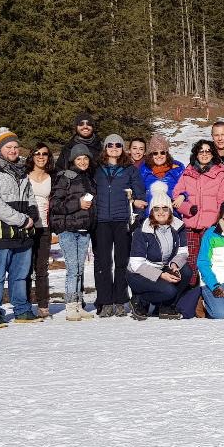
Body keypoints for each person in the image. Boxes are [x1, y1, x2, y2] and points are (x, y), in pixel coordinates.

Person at [0, 127, 41, 327]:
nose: (13, 150)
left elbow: (29, 196)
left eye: (16, 146)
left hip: (22, 231)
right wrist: (21, 219)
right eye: (8, 147)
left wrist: (32, 214)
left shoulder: (21, 168)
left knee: (21, 274)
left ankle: (22, 309)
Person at [127, 182, 199, 321]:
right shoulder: (142, 230)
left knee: (186, 272)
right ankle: (139, 300)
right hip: (139, 273)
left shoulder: (178, 226)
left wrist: (174, 266)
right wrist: (162, 275)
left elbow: (183, 252)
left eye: (165, 208)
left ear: (170, 210)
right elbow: (136, 264)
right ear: (151, 211)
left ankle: (166, 306)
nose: (161, 212)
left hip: (164, 267)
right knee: (169, 290)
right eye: (157, 208)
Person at [93, 134, 146, 317]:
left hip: (122, 219)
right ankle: (105, 301)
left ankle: (121, 299)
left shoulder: (130, 169)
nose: (114, 147)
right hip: (101, 221)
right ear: (105, 148)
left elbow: (140, 192)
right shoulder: (97, 168)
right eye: (110, 145)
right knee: (103, 262)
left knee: (122, 261)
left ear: (123, 148)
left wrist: (138, 204)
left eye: (118, 145)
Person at [173, 139, 224, 287]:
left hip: (209, 226)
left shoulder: (219, 175)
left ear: (212, 154)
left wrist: (219, 222)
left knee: (207, 261)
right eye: (201, 151)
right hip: (190, 226)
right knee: (190, 261)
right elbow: (176, 196)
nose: (204, 154)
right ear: (196, 154)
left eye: (208, 151)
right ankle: (189, 294)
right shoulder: (187, 173)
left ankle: (206, 293)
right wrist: (188, 209)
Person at [49, 144, 96, 321]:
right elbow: (56, 204)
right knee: (72, 268)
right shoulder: (64, 178)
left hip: (84, 230)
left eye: (85, 158)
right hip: (68, 229)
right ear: (72, 161)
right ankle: (70, 306)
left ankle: (78, 304)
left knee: (80, 268)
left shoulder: (90, 179)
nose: (83, 162)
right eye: (79, 159)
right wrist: (78, 204)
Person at [25, 143, 54, 318]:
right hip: (27, 226)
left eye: (44, 154)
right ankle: (25, 303)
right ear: (32, 156)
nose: (41, 157)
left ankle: (43, 305)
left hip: (45, 227)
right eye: (37, 153)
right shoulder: (24, 176)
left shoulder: (52, 177)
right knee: (25, 268)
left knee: (41, 268)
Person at [138, 134, 185, 218]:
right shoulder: (144, 171)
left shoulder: (177, 171)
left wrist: (183, 195)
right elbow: (137, 192)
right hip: (151, 218)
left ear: (167, 154)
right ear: (151, 155)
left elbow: (189, 188)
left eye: (162, 152)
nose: (159, 155)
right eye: (155, 153)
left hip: (172, 217)